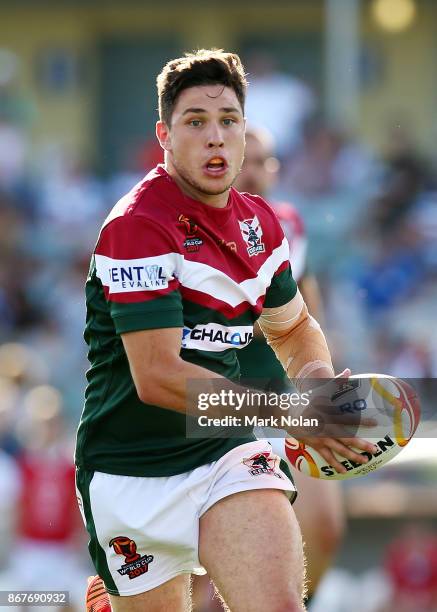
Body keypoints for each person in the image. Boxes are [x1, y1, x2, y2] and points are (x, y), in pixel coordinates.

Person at [75, 49, 376, 612]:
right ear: (164, 135)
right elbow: (159, 378)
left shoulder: (261, 222)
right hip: (126, 470)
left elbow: (293, 326)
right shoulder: (137, 226)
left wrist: (315, 382)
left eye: (228, 121)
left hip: (223, 454)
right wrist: (292, 415)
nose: (216, 137)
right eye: (196, 122)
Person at [234, 127, 345, 606]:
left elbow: (305, 305)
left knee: (324, 527)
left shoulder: (287, 223)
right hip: (217, 401)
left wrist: (322, 378)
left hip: (281, 396)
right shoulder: (188, 229)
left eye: (266, 160)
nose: (256, 171)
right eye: (247, 160)